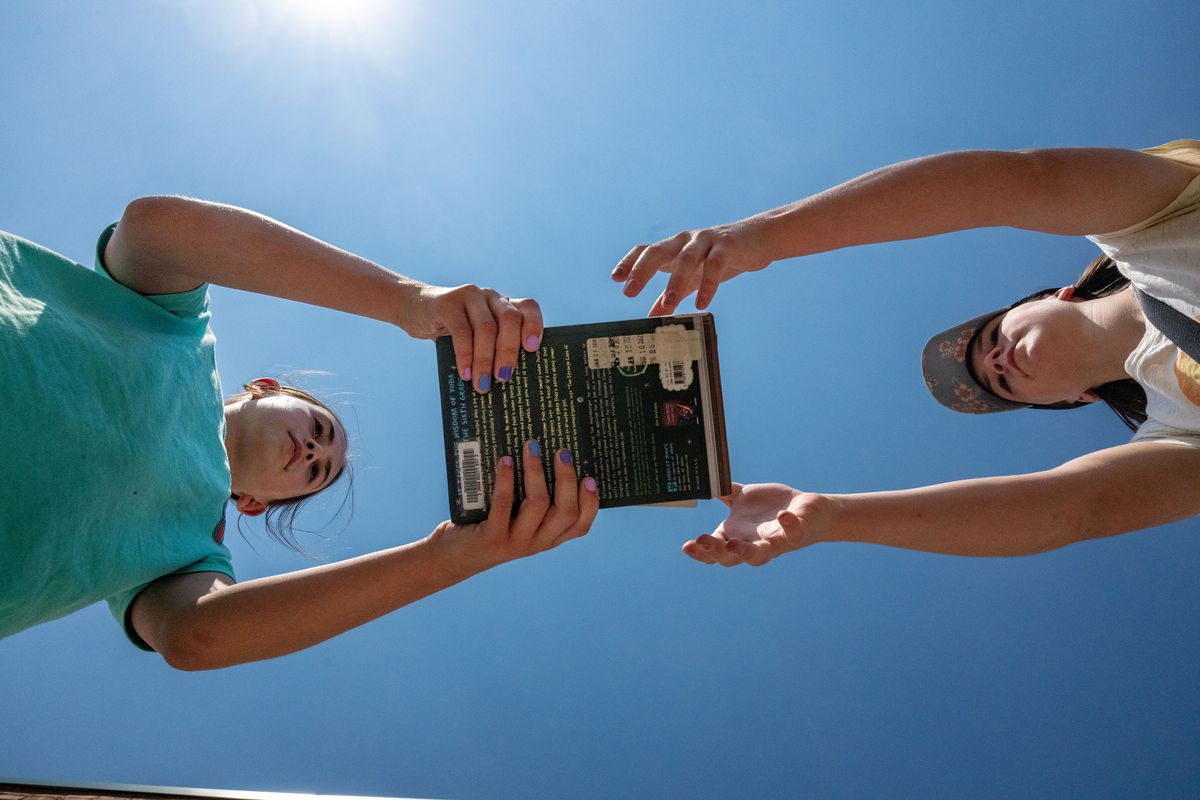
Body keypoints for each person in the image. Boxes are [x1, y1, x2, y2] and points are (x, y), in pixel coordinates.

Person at [1, 195, 598, 667]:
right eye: (317, 427)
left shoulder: (188, 553)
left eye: (317, 470)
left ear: (256, 504)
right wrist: (407, 300)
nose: (312, 449)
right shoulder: (176, 328)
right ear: (264, 386)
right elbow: (155, 228)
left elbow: (194, 637)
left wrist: (447, 559)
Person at [611, 140, 1200, 567]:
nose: (996, 362)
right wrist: (834, 516)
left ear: (1057, 295)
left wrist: (764, 237)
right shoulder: (1182, 436)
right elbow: (1078, 507)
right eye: (1002, 386)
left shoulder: (1149, 224)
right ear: (1077, 398)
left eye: (991, 338)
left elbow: (1019, 182)